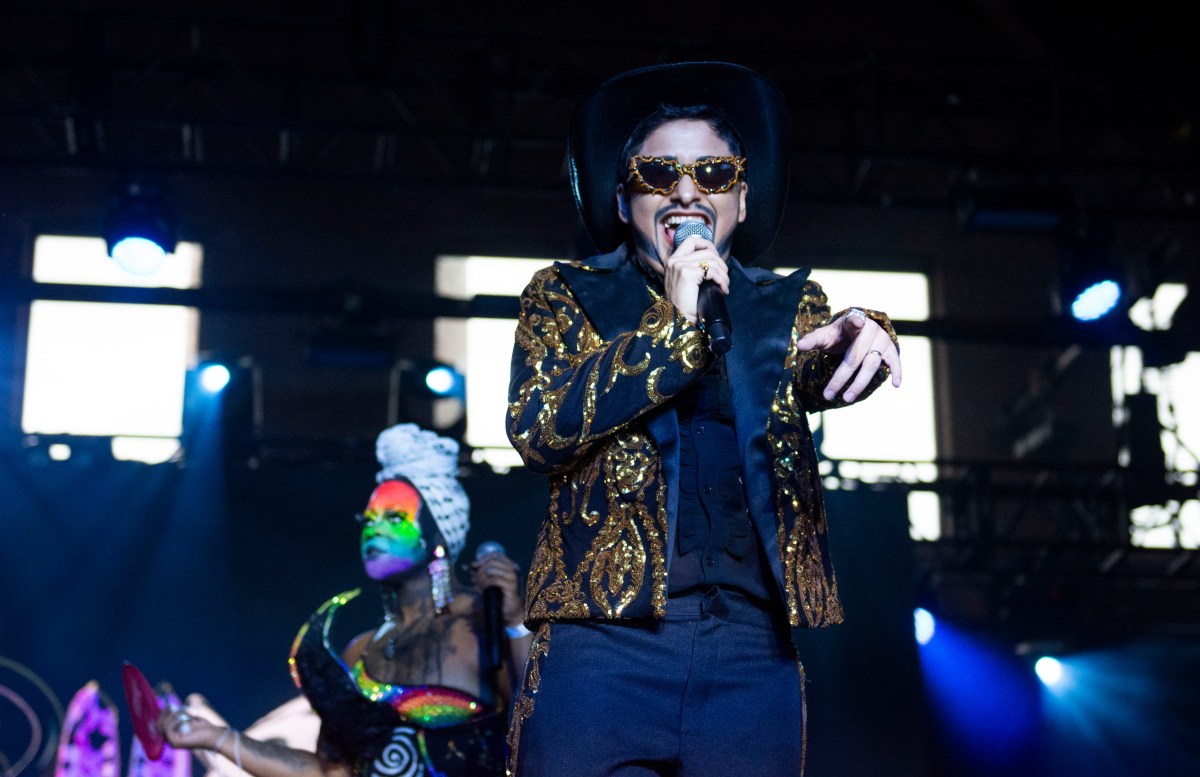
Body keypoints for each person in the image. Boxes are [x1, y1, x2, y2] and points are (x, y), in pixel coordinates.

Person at [505, 62, 903, 776]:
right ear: (625, 198)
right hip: (603, 644)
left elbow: (821, 369)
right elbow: (537, 426)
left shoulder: (787, 307)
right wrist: (672, 328)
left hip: (750, 651)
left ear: (741, 201)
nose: (687, 190)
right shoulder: (564, 294)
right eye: (660, 171)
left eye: (714, 173)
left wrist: (868, 335)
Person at [157, 423, 531, 777]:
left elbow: (542, 723)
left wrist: (515, 623)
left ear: (437, 535)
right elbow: (328, 770)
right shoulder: (360, 652)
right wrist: (216, 738)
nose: (374, 529)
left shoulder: (482, 621)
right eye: (368, 519)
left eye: (393, 517)